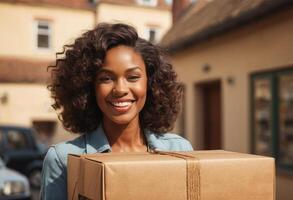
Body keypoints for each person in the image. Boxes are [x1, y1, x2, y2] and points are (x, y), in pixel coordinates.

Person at [40, 23, 193, 200]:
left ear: (150, 83)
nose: (120, 89)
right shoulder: (63, 160)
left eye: (133, 77)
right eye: (106, 78)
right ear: (89, 87)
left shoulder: (180, 150)